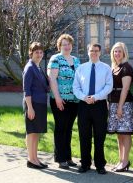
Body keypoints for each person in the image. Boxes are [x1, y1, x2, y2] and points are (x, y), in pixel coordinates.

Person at [73, 43, 113, 174]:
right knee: (84, 135)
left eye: (96, 51)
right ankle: (85, 163)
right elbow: (76, 87)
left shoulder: (106, 68)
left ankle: (100, 164)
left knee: (99, 136)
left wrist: (95, 97)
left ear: (100, 52)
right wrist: (85, 97)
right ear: (88, 52)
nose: (94, 53)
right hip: (84, 105)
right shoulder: (81, 68)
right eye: (91, 50)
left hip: (99, 105)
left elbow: (109, 86)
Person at [47, 34, 80, 169]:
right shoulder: (56, 59)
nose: (67, 46)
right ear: (59, 46)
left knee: (69, 129)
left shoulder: (76, 60)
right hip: (60, 100)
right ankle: (60, 158)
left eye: (68, 44)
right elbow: (52, 78)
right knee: (61, 128)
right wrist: (58, 97)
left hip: (75, 100)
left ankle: (68, 157)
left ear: (72, 45)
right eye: (64, 44)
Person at [107, 42, 133, 172]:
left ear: (124, 53)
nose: (117, 53)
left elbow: (125, 89)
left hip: (124, 104)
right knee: (119, 134)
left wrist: (120, 107)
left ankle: (125, 161)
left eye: (119, 51)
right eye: (115, 51)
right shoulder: (114, 67)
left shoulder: (126, 67)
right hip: (113, 103)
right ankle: (120, 160)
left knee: (125, 133)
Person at [23, 42, 49, 169]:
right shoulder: (29, 67)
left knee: (36, 132)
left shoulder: (38, 67)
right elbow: (26, 90)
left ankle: (35, 158)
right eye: (36, 52)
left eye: (40, 52)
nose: (39, 55)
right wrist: (30, 108)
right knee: (31, 132)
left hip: (41, 103)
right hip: (33, 104)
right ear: (31, 53)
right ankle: (31, 159)